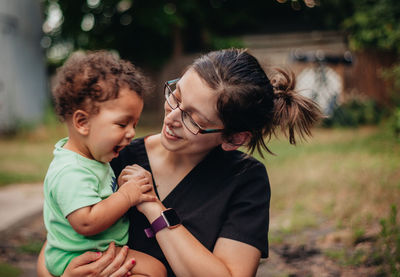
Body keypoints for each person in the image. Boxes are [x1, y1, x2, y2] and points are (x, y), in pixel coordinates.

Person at [38, 48, 322, 277]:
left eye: (193, 119)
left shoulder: (245, 179)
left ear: (234, 139)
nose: (172, 117)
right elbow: (57, 242)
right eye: (176, 96)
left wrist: (152, 207)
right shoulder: (113, 154)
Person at [41, 51, 166, 276]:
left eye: (134, 124)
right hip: (80, 257)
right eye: (122, 124)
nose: (132, 133)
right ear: (82, 122)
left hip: (91, 252)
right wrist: (127, 195)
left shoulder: (92, 159)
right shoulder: (71, 170)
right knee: (156, 270)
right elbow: (86, 223)